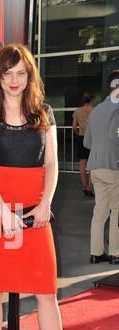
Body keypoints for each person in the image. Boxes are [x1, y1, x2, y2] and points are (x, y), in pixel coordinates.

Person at [0, 44, 84, 330]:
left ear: (30, 75)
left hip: (37, 211)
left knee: (46, 293)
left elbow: (51, 165)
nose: (14, 80)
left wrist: (45, 204)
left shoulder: (44, 112)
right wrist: (3, 210)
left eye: (21, 72)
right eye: (7, 73)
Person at [84, 70, 119, 265]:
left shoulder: (96, 110)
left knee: (100, 211)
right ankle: (115, 252)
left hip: (96, 167)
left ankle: (96, 253)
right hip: (113, 166)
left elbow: (87, 142)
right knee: (117, 210)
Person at [73, 93, 95, 196]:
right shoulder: (95, 110)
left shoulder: (78, 111)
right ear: (92, 100)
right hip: (92, 138)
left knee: (82, 163)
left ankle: (84, 186)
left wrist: (79, 134)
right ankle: (90, 186)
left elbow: (74, 127)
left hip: (82, 137)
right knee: (91, 163)